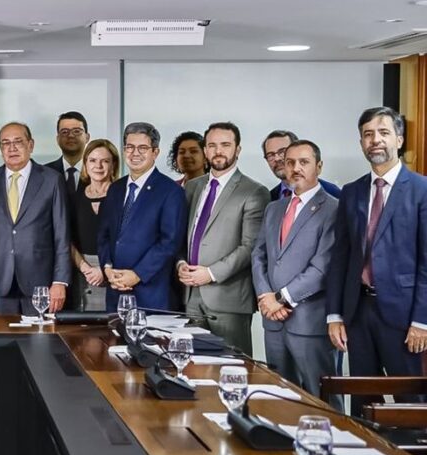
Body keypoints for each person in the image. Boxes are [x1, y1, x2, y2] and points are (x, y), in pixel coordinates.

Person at [328, 107, 427, 415]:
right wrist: (335, 315)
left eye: (384, 133)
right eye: (368, 134)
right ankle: (365, 448)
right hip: (358, 312)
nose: (375, 140)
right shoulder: (352, 192)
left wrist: (422, 321)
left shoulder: (422, 190)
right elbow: (341, 257)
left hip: (404, 316)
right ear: (361, 143)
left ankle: (413, 450)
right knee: (362, 401)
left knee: (410, 403)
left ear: (399, 139)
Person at [252, 140, 341, 409]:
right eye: (290, 162)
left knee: (322, 401)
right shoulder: (274, 208)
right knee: (280, 401)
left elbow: (323, 267)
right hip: (274, 323)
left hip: (309, 322)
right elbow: (258, 256)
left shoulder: (334, 209)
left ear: (319, 166)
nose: (295, 168)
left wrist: (280, 299)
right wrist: (265, 296)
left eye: (304, 162)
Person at [178, 122, 268, 355]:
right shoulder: (192, 187)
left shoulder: (254, 191)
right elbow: (181, 236)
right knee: (193, 366)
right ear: (205, 150)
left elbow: (250, 247)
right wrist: (180, 263)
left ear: (238, 149)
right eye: (212, 145)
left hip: (228, 297)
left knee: (232, 365)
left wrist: (210, 273)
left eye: (225, 145)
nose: (218, 151)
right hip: (191, 295)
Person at [0, 122, 70, 315]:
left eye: (18, 142)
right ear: (0, 148)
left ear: (30, 145)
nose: (12, 148)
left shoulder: (52, 179)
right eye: (6, 143)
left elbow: (62, 234)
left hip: (41, 284)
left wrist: (60, 281)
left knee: (40, 334)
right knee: (0, 335)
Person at [97, 122, 186, 312]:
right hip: (115, 291)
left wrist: (137, 274)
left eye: (142, 148)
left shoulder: (170, 191)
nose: (135, 153)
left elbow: (169, 242)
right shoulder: (115, 189)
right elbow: (104, 235)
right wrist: (107, 268)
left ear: (155, 152)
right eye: (130, 147)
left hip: (152, 294)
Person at [70, 139, 119, 311]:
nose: (98, 166)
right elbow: (67, 239)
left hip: (115, 271)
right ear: (85, 164)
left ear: (113, 165)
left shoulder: (123, 195)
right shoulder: (74, 198)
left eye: (105, 161)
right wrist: (84, 268)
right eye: (92, 160)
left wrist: (104, 269)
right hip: (81, 271)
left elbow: (129, 239)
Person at [263, 130, 341, 200]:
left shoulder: (332, 193)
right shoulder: (268, 199)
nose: (277, 158)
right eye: (270, 155)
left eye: (282, 152)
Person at [45, 111, 90, 196]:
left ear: (87, 137)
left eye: (77, 131)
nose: (71, 136)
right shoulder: (45, 173)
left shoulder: (98, 171)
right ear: (58, 139)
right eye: (65, 132)